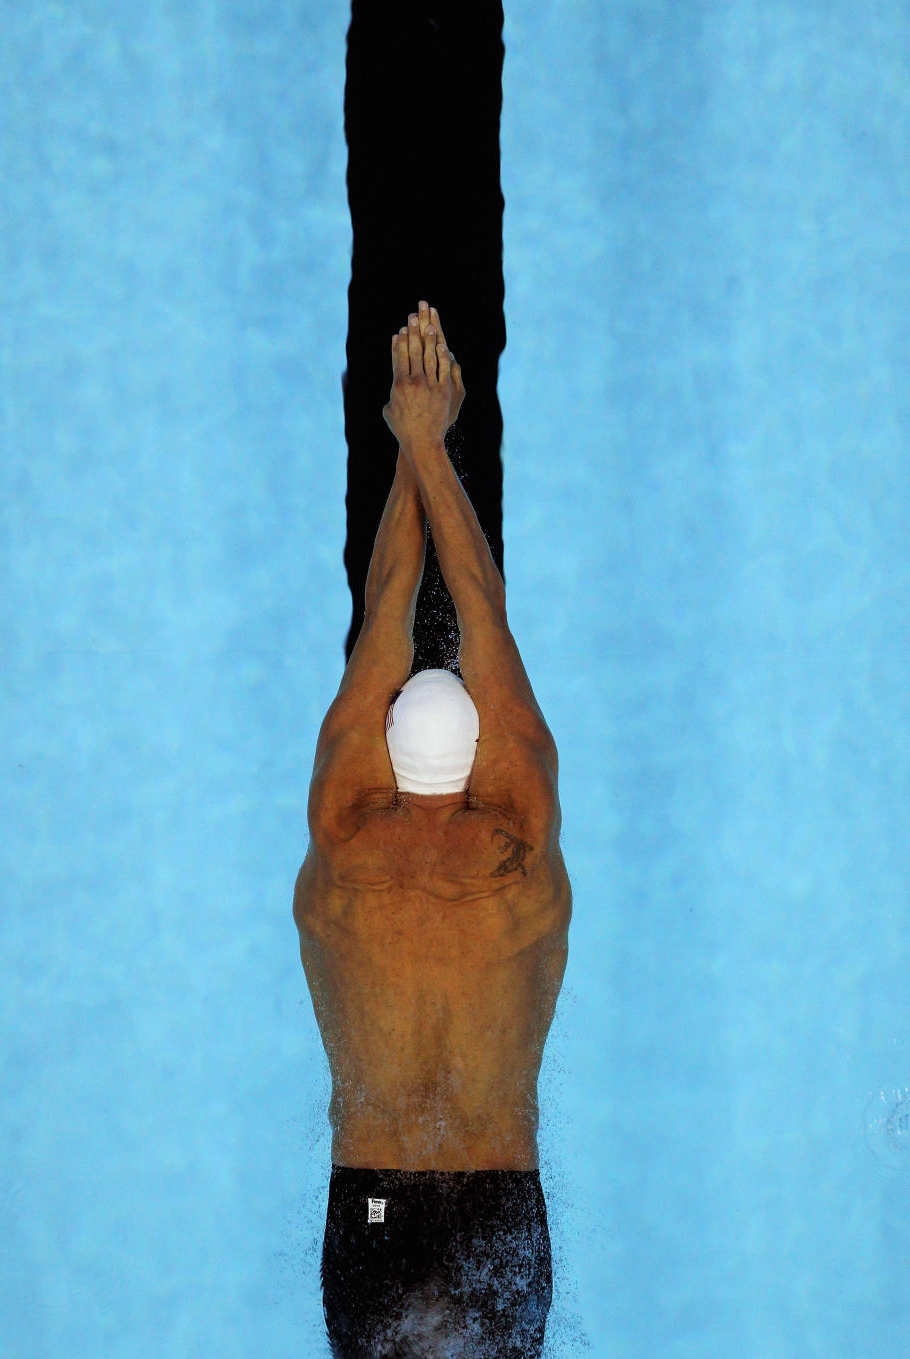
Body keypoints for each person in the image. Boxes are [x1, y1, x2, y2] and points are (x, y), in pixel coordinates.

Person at [293, 303, 572, 1357]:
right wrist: (428, 443)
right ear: (486, 773)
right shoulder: (521, 851)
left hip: (370, 1199)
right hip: (498, 1194)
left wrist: (409, 448)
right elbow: (482, 612)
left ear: (380, 766)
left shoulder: (341, 849)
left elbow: (386, 611)